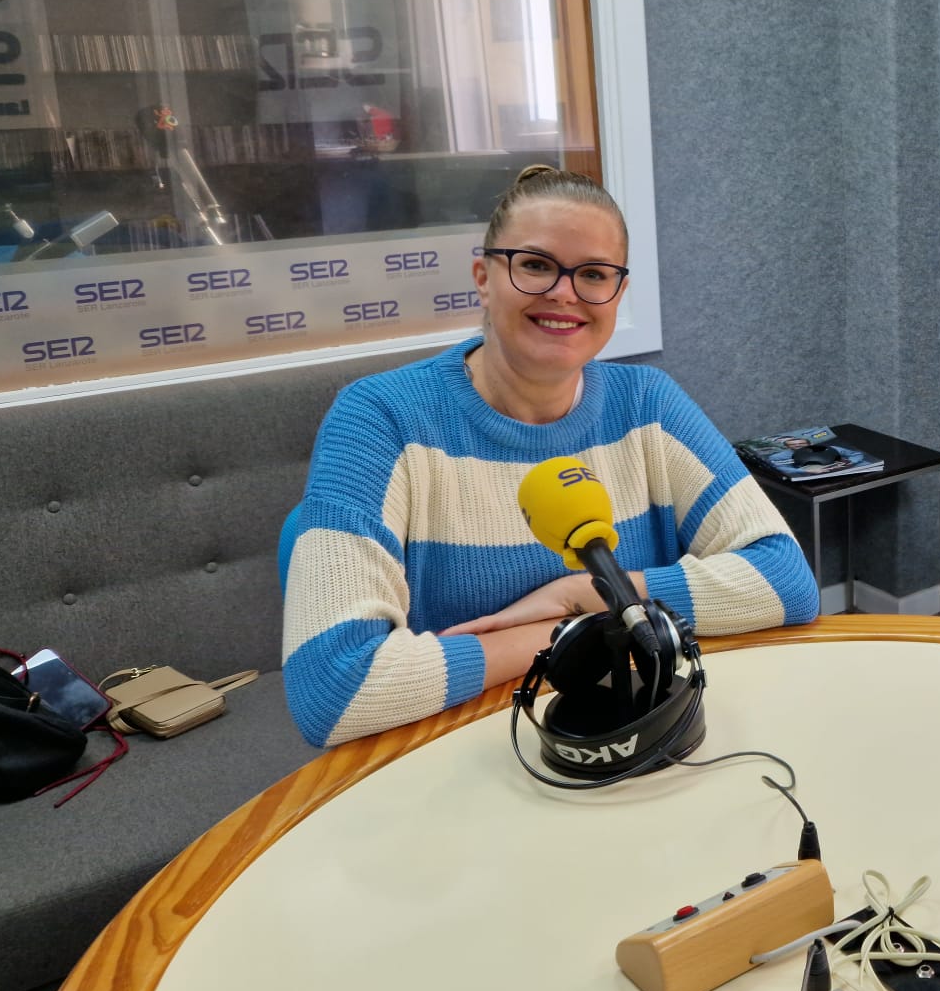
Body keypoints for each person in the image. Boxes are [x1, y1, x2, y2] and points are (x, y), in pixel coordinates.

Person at [280, 165, 819, 747]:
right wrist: (578, 630)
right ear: (484, 277)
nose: (565, 293)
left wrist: (578, 593)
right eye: (535, 265)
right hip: (467, 753)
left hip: (634, 731)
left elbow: (787, 579)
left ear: (617, 293)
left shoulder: (649, 405)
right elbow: (332, 689)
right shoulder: (380, 418)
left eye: (593, 274)